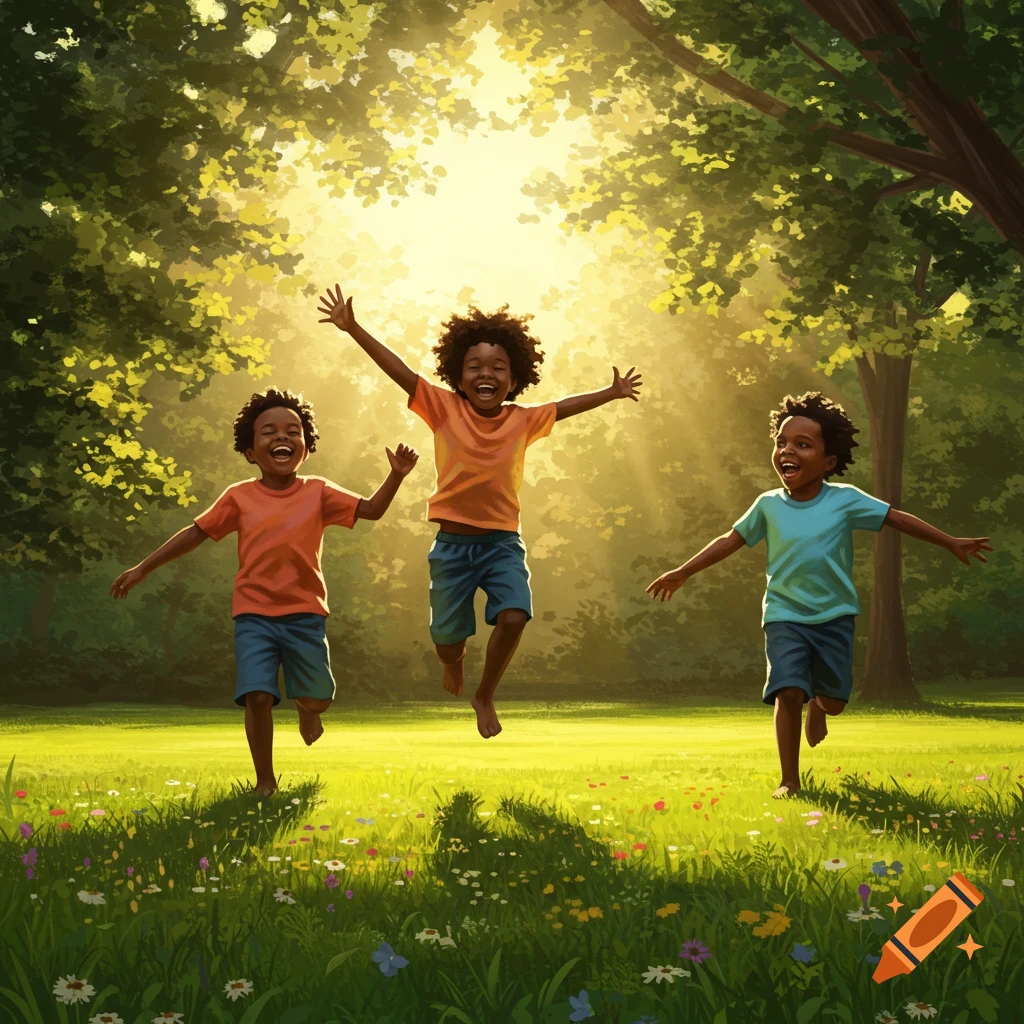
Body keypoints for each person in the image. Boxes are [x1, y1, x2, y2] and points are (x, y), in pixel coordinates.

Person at [318, 285, 642, 739]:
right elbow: (402, 373)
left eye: (497, 367)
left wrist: (609, 393)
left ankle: (485, 694)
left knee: (514, 615)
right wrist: (354, 329)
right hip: (451, 548)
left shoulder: (523, 420)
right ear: (458, 373)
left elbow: (564, 407)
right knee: (447, 643)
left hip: (501, 544)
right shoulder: (443, 408)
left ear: (514, 378)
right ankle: (455, 661)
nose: (485, 373)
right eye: (474, 366)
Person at [646, 391, 991, 798]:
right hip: (784, 615)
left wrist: (949, 541)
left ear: (828, 462)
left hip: (834, 617)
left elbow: (897, 519)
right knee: (787, 690)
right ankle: (789, 781)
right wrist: (684, 570)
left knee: (835, 700)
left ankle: (821, 708)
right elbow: (730, 539)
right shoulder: (767, 505)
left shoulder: (845, 500)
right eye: (781, 443)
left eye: (802, 445)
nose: (786, 451)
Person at [110, 387, 418, 795]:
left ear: (306, 447)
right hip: (253, 614)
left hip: (305, 613)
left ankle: (309, 709)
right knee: (257, 695)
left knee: (319, 699)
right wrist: (144, 567)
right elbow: (195, 534)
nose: (282, 438)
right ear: (251, 451)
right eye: (269, 432)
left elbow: (372, 510)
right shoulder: (238, 497)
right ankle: (265, 781)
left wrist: (395, 475)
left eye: (293, 431)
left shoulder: (319, 491)